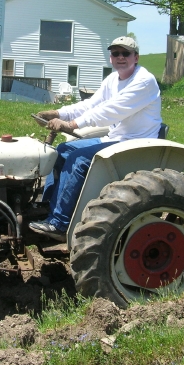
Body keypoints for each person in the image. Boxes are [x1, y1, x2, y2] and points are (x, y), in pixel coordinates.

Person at [29, 36, 162, 241]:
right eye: (115, 53)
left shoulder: (144, 81)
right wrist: (58, 113)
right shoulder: (112, 79)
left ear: (136, 57)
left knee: (79, 160)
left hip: (136, 143)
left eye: (125, 53)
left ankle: (59, 223)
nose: (120, 57)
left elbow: (110, 111)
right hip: (116, 138)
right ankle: (47, 207)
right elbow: (90, 105)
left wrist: (71, 125)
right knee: (63, 150)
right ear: (110, 57)